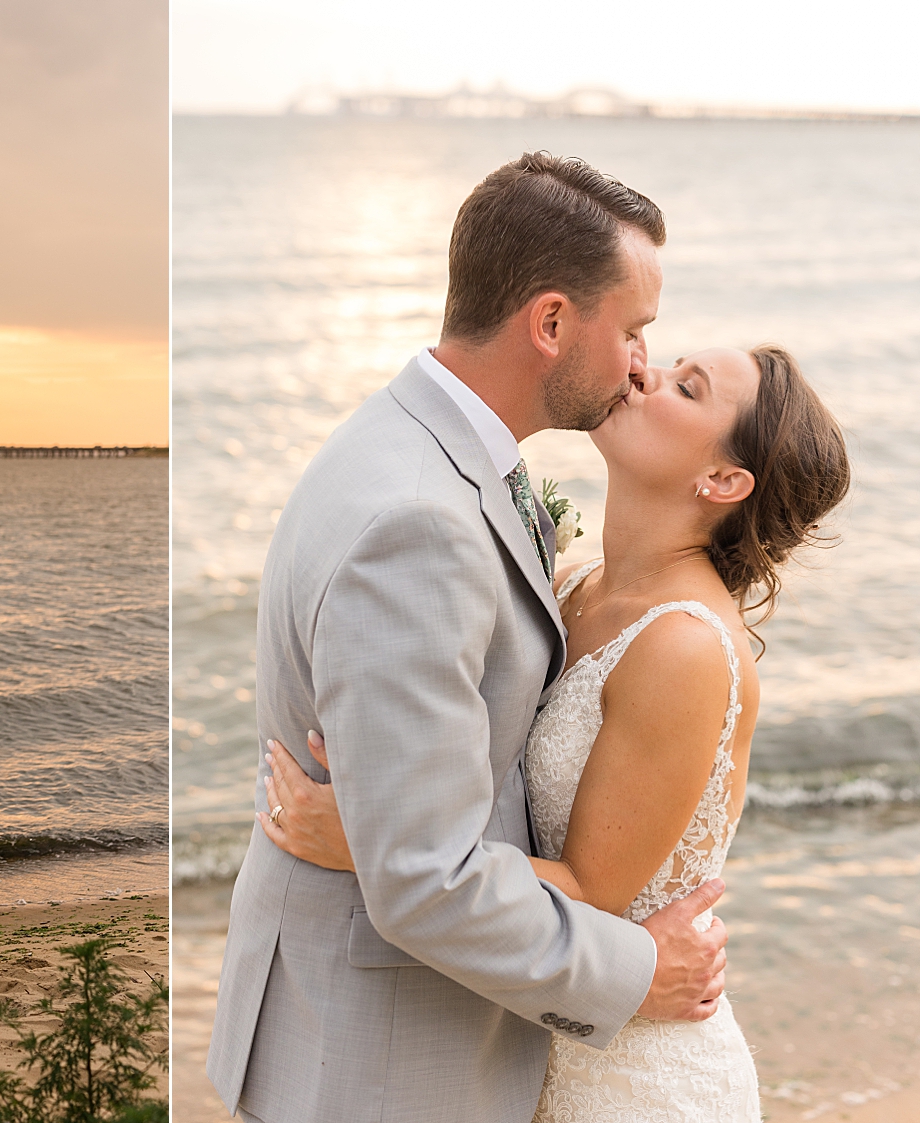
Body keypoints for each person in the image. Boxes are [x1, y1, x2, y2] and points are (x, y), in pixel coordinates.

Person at [207, 153, 735, 1123]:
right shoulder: (423, 521)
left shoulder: (420, 446)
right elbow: (422, 878)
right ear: (550, 323)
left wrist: (367, 831)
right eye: (635, 330)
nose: (640, 366)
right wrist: (639, 971)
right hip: (379, 1063)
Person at [259, 345, 848, 1120]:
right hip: (528, 1042)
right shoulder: (570, 584)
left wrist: (373, 841)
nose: (642, 371)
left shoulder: (685, 647)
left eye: (686, 387)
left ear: (722, 481)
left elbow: (592, 894)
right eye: (664, 360)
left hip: (631, 1075)